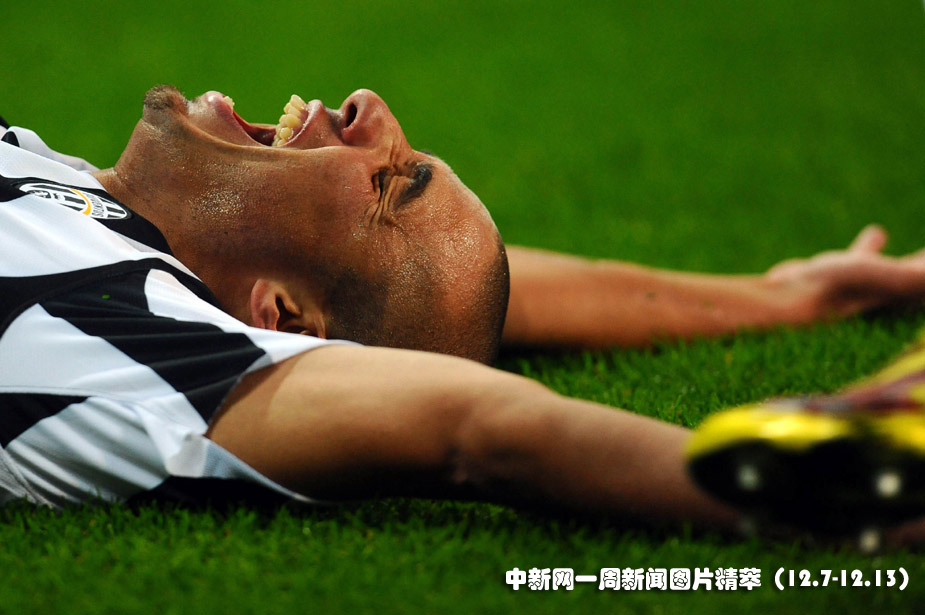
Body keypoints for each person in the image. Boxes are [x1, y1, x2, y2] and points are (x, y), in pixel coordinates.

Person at [2, 86, 924, 544]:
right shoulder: (78, 200)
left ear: (281, 315)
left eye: (387, 183)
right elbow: (480, 296)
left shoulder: (119, 339)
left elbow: (472, 427)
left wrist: (834, 468)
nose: (368, 108)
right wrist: (793, 296)